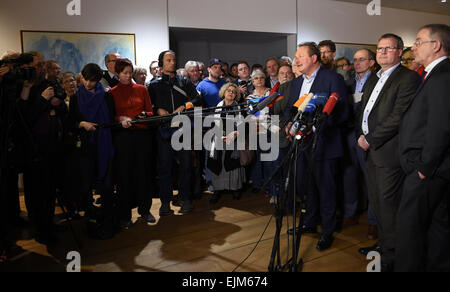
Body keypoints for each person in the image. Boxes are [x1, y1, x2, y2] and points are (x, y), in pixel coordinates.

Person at [356, 33, 421, 271]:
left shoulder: (408, 78)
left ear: (399, 52)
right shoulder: (375, 78)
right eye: (380, 48)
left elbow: (398, 117)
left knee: (389, 206)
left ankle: (394, 257)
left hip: (388, 152)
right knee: (377, 203)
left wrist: (370, 138)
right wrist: (360, 135)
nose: (382, 52)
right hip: (369, 150)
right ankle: (383, 247)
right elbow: (365, 111)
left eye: (388, 48)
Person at [284, 42, 349, 251]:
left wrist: (316, 126)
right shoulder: (296, 83)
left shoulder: (333, 79)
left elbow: (342, 113)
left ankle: (328, 231)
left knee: (326, 189)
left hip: (325, 145)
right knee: (306, 186)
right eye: (296, 57)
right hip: (301, 145)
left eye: (301, 56)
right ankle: (309, 223)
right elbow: (289, 109)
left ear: (314, 58)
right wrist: (288, 123)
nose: (297, 60)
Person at [396, 24, 450, 272]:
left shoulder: (442, 75)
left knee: (410, 229)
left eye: (418, 41)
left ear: (436, 45)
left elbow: (441, 126)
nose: (413, 47)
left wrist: (424, 168)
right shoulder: (433, 74)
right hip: (432, 170)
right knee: (438, 228)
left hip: (427, 171)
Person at [148, 50, 202, 216]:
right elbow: (148, 105)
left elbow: (196, 99)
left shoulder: (184, 81)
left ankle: (185, 199)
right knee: (165, 167)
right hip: (163, 130)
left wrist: (185, 106)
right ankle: (165, 202)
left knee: (185, 166)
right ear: (161, 63)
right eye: (168, 60)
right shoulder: (153, 85)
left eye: (173, 59)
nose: (172, 62)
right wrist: (157, 109)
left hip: (183, 129)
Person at [108, 58, 155, 229]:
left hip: (142, 134)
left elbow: (150, 111)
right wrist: (120, 118)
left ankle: (145, 210)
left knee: (143, 173)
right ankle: (124, 214)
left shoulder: (142, 89)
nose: (128, 76)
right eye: (124, 73)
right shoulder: (112, 92)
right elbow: (109, 116)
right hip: (123, 137)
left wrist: (144, 115)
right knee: (124, 176)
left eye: (130, 73)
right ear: (118, 74)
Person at [66, 63, 115, 222]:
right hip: (85, 145)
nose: (88, 83)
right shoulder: (75, 97)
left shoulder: (106, 96)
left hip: (104, 143)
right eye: (86, 79)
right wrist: (82, 124)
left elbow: (112, 119)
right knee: (86, 182)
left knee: (106, 183)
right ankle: (89, 212)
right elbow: (70, 123)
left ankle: (107, 214)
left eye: (92, 80)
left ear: (98, 80)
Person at [208, 83, 246, 203]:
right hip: (219, 138)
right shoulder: (217, 106)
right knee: (217, 163)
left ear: (236, 95)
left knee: (233, 164)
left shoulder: (240, 108)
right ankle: (217, 190)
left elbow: (244, 125)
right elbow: (212, 124)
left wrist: (235, 133)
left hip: (234, 139)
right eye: (228, 90)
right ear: (224, 92)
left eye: (234, 92)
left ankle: (235, 189)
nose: (230, 93)